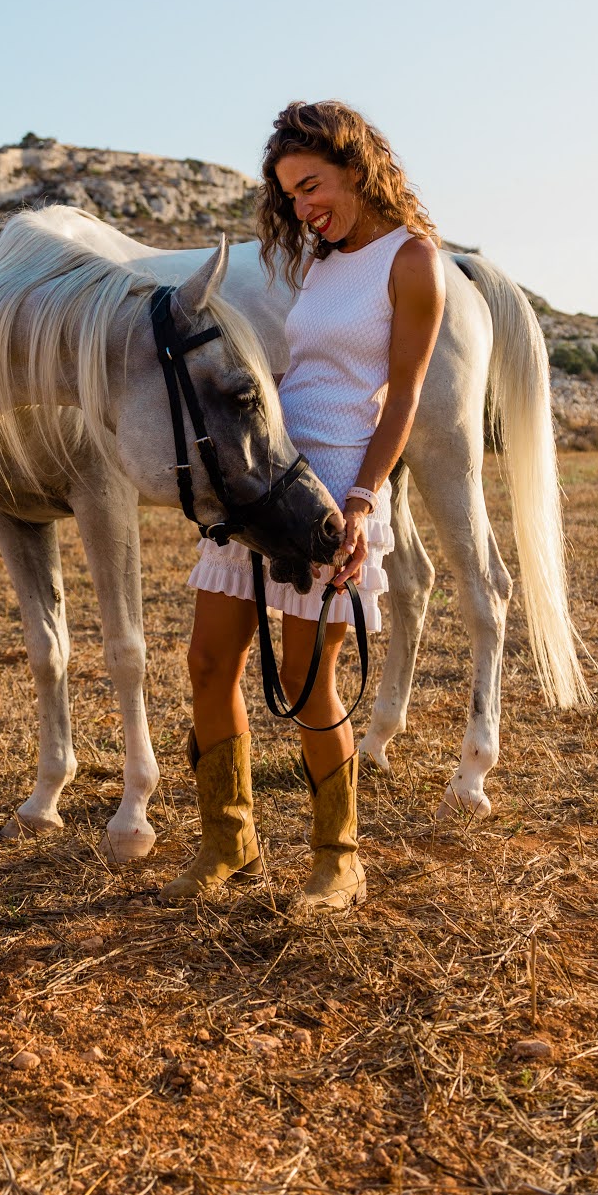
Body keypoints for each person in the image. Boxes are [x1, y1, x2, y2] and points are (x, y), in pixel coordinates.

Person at [160, 99, 446, 912]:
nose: (301, 207)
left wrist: (362, 500)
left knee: (305, 678)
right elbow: (307, 370)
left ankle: (338, 860)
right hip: (266, 471)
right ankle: (229, 843)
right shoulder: (321, 260)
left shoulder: (412, 260)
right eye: (289, 195)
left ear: (357, 168)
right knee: (208, 661)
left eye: (311, 185)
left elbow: (401, 398)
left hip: (333, 488)